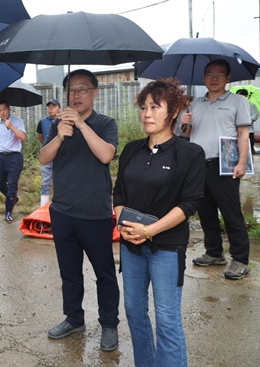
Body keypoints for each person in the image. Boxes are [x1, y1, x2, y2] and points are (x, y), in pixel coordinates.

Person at [113, 79, 205, 366]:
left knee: (167, 319)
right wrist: (123, 224)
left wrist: (149, 230)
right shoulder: (131, 149)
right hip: (131, 245)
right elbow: (119, 193)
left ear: (174, 111)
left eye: (155, 106)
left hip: (166, 246)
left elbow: (190, 203)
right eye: (144, 107)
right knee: (134, 312)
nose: (147, 113)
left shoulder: (190, 153)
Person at [39, 69, 120, 352]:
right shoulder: (57, 125)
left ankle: (109, 323)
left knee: (105, 273)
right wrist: (60, 135)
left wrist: (82, 126)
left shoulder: (106, 123)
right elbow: (42, 158)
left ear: (95, 93)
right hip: (62, 211)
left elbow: (106, 155)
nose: (77, 94)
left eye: (83, 89)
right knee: (69, 273)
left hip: (95, 213)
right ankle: (74, 318)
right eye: (72, 90)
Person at [181, 59, 252, 280]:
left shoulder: (238, 101)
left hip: (225, 164)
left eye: (219, 75)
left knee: (231, 214)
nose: (214, 78)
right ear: (204, 78)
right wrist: (184, 122)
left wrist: (241, 162)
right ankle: (214, 252)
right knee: (206, 213)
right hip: (197, 166)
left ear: (228, 78)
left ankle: (240, 260)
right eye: (210, 74)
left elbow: (243, 135)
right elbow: (186, 135)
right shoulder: (195, 104)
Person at [0, 101, 26, 222]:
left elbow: (22, 137)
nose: (2, 112)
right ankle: (14, 198)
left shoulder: (18, 121)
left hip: (15, 157)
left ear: (9, 109)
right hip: (1, 157)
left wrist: (12, 126)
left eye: (4, 109)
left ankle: (8, 212)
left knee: (12, 185)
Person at [36, 99, 61, 206]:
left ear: (59, 108)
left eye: (53, 106)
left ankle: (59, 205)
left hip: (61, 156)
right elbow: (40, 137)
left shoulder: (64, 120)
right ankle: (43, 206)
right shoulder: (43, 122)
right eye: (49, 107)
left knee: (60, 182)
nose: (51, 109)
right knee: (45, 183)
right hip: (48, 157)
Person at [235, 89, 258, 154]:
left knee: (249, 150)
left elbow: (255, 116)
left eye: (242, 95)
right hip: (236, 131)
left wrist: (246, 120)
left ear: (246, 96)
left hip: (249, 131)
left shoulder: (251, 105)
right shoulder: (234, 105)